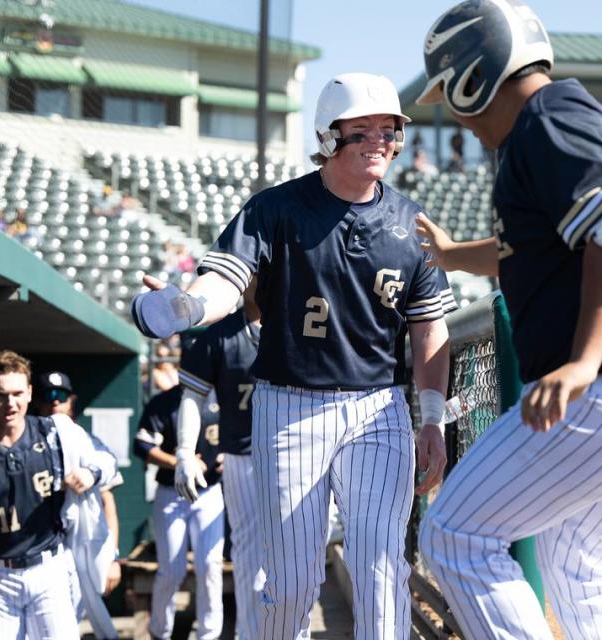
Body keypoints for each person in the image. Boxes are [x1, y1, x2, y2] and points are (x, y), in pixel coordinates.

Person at [130, 71, 456, 638]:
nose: (382, 140)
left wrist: (430, 417)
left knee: (382, 568)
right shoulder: (275, 208)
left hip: (379, 410)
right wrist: (188, 306)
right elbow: (227, 284)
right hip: (289, 406)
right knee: (291, 582)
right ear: (329, 137)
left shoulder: (411, 221)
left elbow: (430, 329)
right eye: (366, 130)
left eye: (391, 129)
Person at [413, 2, 602, 638]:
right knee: (572, 560)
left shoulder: (551, 117)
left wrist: (584, 361)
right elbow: (522, 252)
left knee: (454, 536)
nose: (451, 110)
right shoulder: (547, 125)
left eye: (449, 89)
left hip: (600, 387)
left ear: (475, 72)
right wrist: (450, 255)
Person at [0, 350, 117, 639]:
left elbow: (108, 461)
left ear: (29, 393)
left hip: (48, 565)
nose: (10, 403)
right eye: (0, 394)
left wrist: (90, 473)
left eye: (17, 393)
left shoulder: (55, 432)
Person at [176, 278, 263, 638]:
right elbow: (191, 397)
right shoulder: (220, 335)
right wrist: (183, 450)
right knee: (247, 554)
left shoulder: (301, 325)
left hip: (301, 452)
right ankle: (248, 633)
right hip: (242, 455)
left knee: (298, 554)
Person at [33, 370, 124, 639]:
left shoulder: (87, 441)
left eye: (60, 395)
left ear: (71, 399)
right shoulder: (26, 441)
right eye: (47, 395)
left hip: (81, 543)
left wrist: (114, 557)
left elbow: (108, 501)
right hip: (40, 544)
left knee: (75, 614)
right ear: (35, 400)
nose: (54, 401)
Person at [133, 383, 225, 640]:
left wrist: (227, 455)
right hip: (171, 492)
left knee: (209, 565)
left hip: (209, 492)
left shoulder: (221, 397)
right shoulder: (165, 401)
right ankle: (160, 632)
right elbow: (141, 445)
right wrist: (181, 463)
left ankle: (209, 634)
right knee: (172, 570)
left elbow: (239, 436)